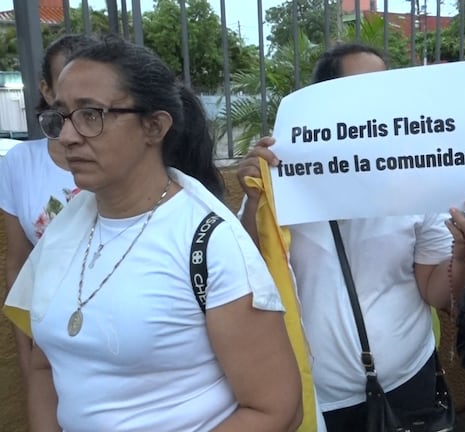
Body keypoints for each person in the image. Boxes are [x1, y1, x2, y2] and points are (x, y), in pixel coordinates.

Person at [3, 35, 302, 431]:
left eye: (91, 114)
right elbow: (45, 362)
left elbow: (276, 409)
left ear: (155, 126)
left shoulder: (207, 242)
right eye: (61, 115)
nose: (68, 136)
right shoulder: (62, 232)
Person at [237, 42, 465, 431]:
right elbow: (248, 274)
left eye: (384, 87)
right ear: (324, 100)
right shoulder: (281, 179)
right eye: (362, 88)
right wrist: (257, 198)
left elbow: (435, 292)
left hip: (410, 384)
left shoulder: (419, 176)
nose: (377, 99)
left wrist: (464, 255)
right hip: (320, 397)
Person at [0, 33, 99, 387]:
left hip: (110, 331)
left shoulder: (118, 159)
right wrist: (28, 360)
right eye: (66, 84)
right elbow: (18, 264)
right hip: (49, 335)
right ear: (46, 91)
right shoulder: (19, 163)